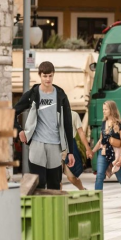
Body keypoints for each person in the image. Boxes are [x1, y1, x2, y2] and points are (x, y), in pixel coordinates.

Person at [13, 61, 75, 190]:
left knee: (54, 185)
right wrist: (19, 130)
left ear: (53, 75)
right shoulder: (33, 94)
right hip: (37, 144)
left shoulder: (61, 95)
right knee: (38, 183)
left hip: (55, 145)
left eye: (50, 76)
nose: (47, 79)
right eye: (45, 76)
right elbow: (12, 112)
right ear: (40, 75)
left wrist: (71, 152)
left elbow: (68, 124)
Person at [91, 100, 121, 208]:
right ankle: (97, 202)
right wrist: (92, 151)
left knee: (120, 178)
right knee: (99, 176)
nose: (103, 111)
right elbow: (101, 140)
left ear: (111, 109)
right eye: (103, 109)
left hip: (116, 154)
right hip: (104, 152)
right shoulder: (103, 123)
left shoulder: (120, 124)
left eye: (105, 109)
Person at [62, 110, 89, 190]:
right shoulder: (51, 114)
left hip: (69, 148)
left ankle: (82, 190)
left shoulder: (73, 114)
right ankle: (59, 196)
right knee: (56, 179)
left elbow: (81, 132)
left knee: (71, 178)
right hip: (55, 149)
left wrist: (87, 148)